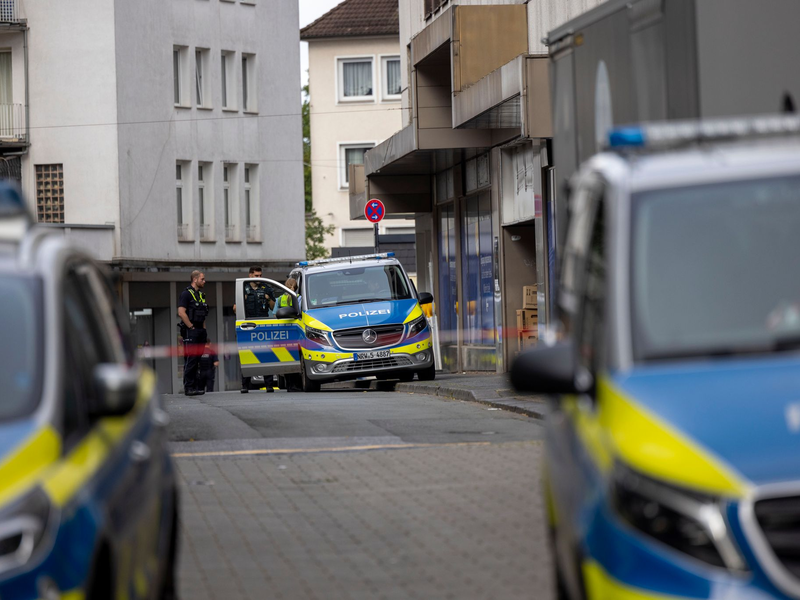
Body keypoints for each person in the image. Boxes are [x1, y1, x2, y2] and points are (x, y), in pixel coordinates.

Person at [239, 266, 275, 394]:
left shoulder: (266, 288)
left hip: (263, 323)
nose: (259, 278)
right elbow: (234, 309)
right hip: (248, 325)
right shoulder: (243, 288)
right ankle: (245, 385)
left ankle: (269, 385)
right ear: (250, 275)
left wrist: (268, 299)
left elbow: (272, 307)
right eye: (256, 276)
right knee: (247, 354)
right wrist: (241, 301)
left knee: (266, 354)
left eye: (260, 275)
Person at [178, 271, 209, 396]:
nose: (204, 281)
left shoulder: (201, 295)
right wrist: (191, 327)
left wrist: (204, 330)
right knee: (191, 359)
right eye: (202, 279)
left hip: (200, 331)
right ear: (195, 279)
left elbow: (202, 315)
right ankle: (189, 387)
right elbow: (181, 312)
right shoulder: (186, 294)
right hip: (191, 331)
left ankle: (196, 386)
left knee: (197, 360)